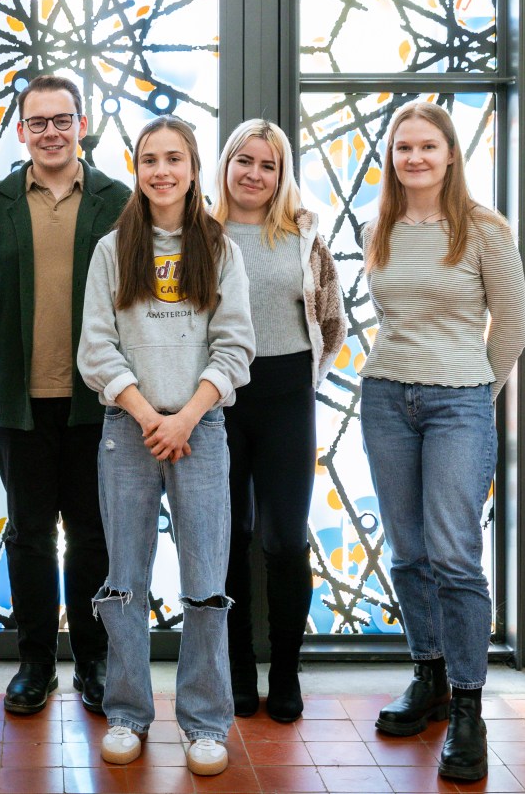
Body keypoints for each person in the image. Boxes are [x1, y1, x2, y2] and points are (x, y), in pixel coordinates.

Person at [77, 116, 254, 777]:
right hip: (129, 428)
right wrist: (151, 415)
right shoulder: (112, 248)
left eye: (173, 158)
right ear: (137, 169)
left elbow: (235, 347)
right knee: (124, 577)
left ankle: (206, 722)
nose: (161, 171)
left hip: (200, 429)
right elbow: (97, 348)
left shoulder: (220, 247)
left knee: (206, 580)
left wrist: (186, 417)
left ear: (193, 167)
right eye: (149, 159)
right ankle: (127, 712)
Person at [358, 102, 525, 782]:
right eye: (403, 147)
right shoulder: (380, 226)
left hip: (458, 401)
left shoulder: (485, 229)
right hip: (385, 398)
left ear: (451, 153)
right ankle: (427, 676)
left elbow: (511, 328)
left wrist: (475, 394)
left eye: (428, 146)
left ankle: (467, 706)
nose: (415, 157)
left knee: (455, 556)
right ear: (392, 157)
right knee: (408, 551)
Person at [0, 76, 129, 716]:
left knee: (92, 536)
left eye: (62, 120)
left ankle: (93, 660)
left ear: (82, 125)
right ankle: (35, 663)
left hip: (99, 400)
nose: (51, 133)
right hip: (22, 400)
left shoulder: (118, 201)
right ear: (20, 132)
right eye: (37, 122)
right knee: (30, 535)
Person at [213, 119, 347, 723]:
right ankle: (238, 669)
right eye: (245, 161)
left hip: (288, 398)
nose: (254, 174)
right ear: (226, 164)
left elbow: (333, 319)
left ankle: (286, 671)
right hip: (219, 399)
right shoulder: (200, 233)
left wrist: (305, 378)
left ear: (282, 174)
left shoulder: (304, 236)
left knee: (286, 540)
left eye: (268, 165)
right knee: (227, 538)